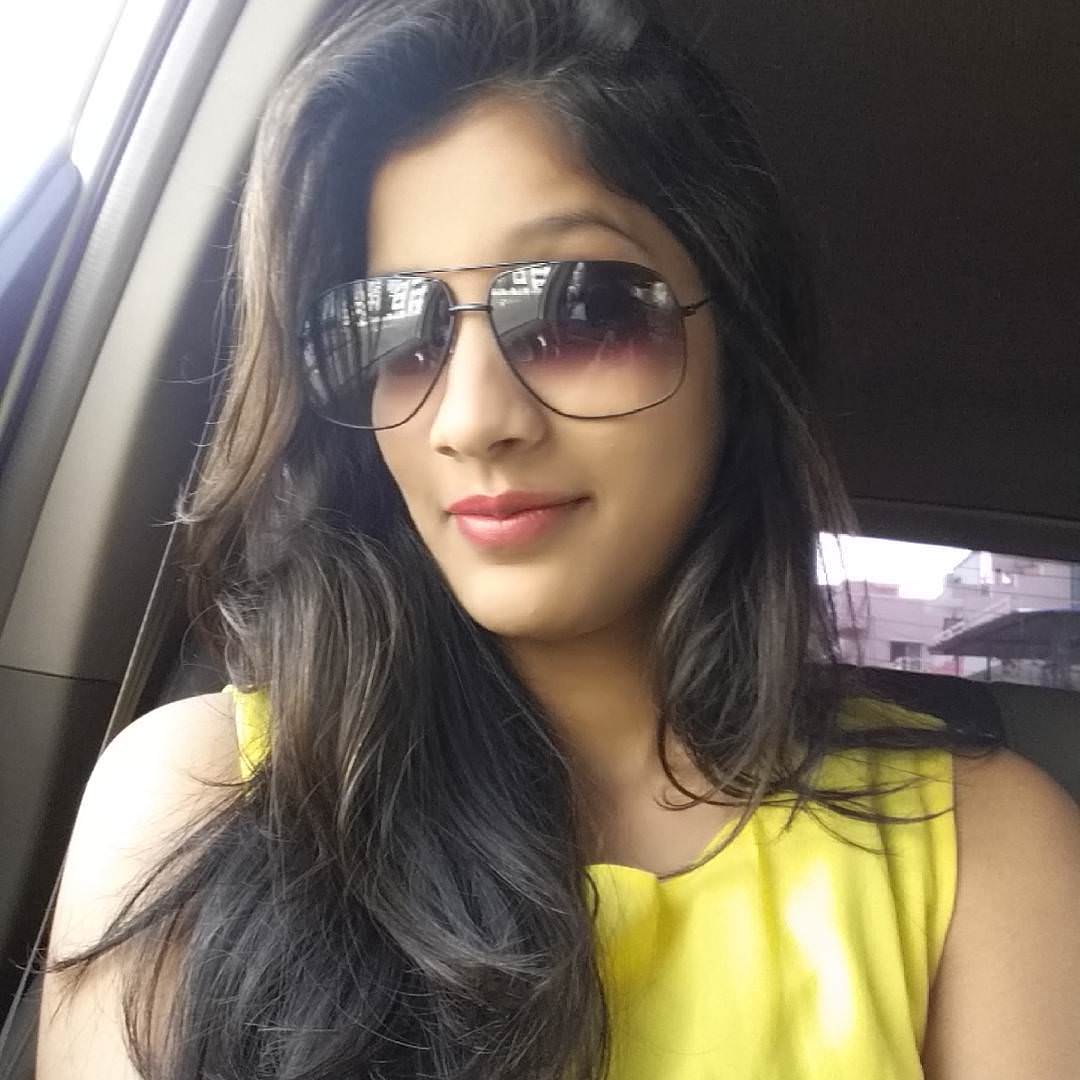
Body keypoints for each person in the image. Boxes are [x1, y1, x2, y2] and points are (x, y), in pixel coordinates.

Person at [35, 1, 1080, 1078]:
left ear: (737, 345)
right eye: (393, 330)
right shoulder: (195, 801)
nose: (471, 418)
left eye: (579, 312)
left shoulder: (987, 860)